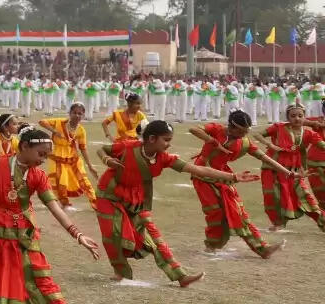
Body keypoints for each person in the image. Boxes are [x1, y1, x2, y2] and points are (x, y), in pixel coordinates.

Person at [0, 127, 101, 304]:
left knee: (41, 275)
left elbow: (54, 207)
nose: (43, 160)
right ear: (25, 146)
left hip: (24, 232)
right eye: (41, 154)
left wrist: (77, 234)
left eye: (46, 155)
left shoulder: (38, 176)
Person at [94, 120, 256, 285]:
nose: (169, 144)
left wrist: (233, 177)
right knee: (111, 235)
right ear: (151, 139)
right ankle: (121, 273)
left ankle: (180, 275)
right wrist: (107, 160)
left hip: (135, 199)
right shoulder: (128, 147)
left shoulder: (164, 158)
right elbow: (102, 149)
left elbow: (198, 169)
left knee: (156, 237)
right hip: (109, 194)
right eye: (166, 140)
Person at [186, 111, 287, 257]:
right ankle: (212, 245)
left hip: (225, 177)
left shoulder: (244, 143)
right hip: (202, 176)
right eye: (240, 131)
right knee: (215, 212)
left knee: (239, 212)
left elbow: (264, 157)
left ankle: (262, 248)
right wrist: (214, 142)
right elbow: (194, 129)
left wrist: (288, 172)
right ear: (231, 127)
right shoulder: (216, 130)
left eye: (246, 132)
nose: (243, 135)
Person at [257, 104, 325, 230]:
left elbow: (322, 145)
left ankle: (322, 221)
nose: (297, 119)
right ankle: (278, 222)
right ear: (287, 117)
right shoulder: (278, 128)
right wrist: (269, 145)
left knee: (304, 195)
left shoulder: (308, 134)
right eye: (293, 116)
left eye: (300, 116)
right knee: (273, 195)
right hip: (272, 168)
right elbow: (258, 134)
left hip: (294, 170)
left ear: (304, 117)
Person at [36, 103, 97, 210]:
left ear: (83, 115)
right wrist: (55, 131)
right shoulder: (60, 122)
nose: (77, 116)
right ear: (69, 113)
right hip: (57, 157)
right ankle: (65, 204)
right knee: (61, 180)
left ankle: (95, 203)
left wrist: (90, 165)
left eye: (80, 114)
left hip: (73, 158)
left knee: (84, 180)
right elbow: (42, 122)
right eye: (74, 113)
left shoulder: (81, 130)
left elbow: (83, 148)